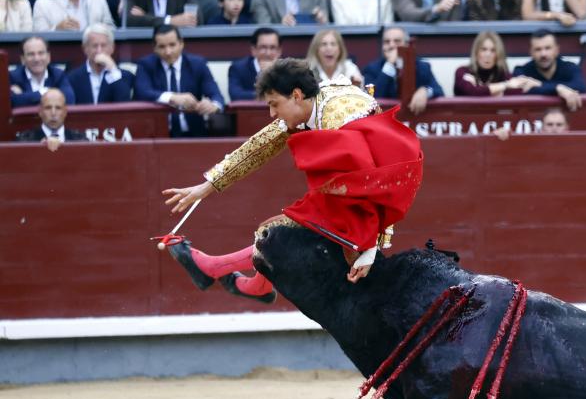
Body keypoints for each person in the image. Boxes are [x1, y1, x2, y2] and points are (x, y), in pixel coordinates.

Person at [160, 58, 422, 299]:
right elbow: (257, 148)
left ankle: (220, 270)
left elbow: (375, 180)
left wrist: (369, 249)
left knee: (289, 228)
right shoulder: (306, 107)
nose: (272, 114)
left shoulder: (337, 116)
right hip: (364, 183)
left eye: (274, 104)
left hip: (390, 181)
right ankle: (252, 283)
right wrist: (205, 188)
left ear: (296, 95)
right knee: (290, 226)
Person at [134, 25, 225, 138]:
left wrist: (213, 105)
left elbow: (216, 94)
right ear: (154, 48)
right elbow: (141, 92)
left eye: (172, 45)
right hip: (157, 136)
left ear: (181, 44)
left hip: (194, 135)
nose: (168, 52)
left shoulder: (197, 64)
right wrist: (172, 97)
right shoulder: (145, 65)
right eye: (162, 47)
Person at [362, 26, 444, 114]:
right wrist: (389, 66)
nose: (391, 45)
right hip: (385, 121)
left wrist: (425, 91)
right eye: (387, 42)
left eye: (397, 41)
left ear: (407, 45)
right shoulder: (371, 69)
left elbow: (439, 90)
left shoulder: (422, 66)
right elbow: (371, 99)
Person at [512, 29, 586, 112]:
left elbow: (581, 87)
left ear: (557, 50)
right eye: (538, 49)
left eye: (548, 48)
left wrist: (542, 85)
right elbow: (521, 91)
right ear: (531, 52)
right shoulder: (522, 71)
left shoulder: (570, 68)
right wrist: (558, 89)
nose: (543, 54)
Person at [66, 23, 134, 104]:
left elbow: (125, 106)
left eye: (103, 45)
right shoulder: (72, 78)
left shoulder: (125, 76)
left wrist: (113, 71)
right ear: (85, 49)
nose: (99, 51)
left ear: (112, 48)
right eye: (95, 46)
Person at [454, 31, 536, 97]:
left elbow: (519, 92)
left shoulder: (503, 74)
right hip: (467, 116)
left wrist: (480, 89)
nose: (488, 54)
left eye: (493, 50)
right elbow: (471, 92)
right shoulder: (462, 71)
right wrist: (505, 86)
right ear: (476, 52)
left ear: (498, 54)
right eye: (483, 49)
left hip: (495, 117)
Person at [9, 36, 76, 108]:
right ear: (23, 59)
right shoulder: (12, 77)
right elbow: (12, 102)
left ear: (48, 57)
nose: (37, 59)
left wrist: (26, 96)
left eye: (41, 53)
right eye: (31, 54)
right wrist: (50, 93)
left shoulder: (58, 75)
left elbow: (69, 100)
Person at [14, 88, 88, 150]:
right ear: (40, 111)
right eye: (48, 108)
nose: (53, 113)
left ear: (65, 112)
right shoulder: (24, 141)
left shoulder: (80, 140)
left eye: (58, 108)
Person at [229, 27, 282, 102]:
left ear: (279, 51)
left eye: (272, 48)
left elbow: (294, 95)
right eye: (263, 47)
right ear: (253, 50)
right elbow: (235, 95)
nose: (268, 53)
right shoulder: (238, 68)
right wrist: (266, 95)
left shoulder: (288, 69)